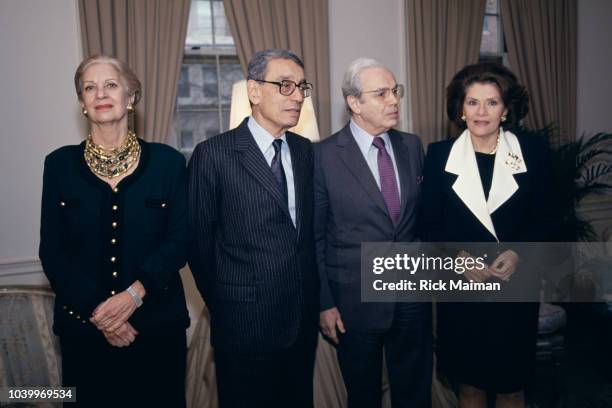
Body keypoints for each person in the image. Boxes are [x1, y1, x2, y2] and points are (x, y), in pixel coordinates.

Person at [39, 55, 189, 407]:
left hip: (156, 330)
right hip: (84, 333)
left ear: (131, 96)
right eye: (89, 88)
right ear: (82, 104)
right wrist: (103, 314)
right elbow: (53, 252)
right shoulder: (58, 165)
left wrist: (132, 297)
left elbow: (180, 240)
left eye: (110, 84)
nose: (100, 93)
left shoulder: (169, 163)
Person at [188, 49, 319, 408]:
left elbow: (308, 237)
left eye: (301, 87)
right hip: (244, 325)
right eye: (285, 85)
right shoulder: (214, 154)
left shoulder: (306, 151)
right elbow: (198, 245)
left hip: (301, 322)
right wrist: (229, 303)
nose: (296, 96)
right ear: (254, 91)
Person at [419, 62, 554, 407]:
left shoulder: (533, 154)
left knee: (511, 386)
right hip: (463, 293)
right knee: (470, 386)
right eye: (472, 102)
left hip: (514, 288)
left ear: (506, 109)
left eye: (492, 102)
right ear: (460, 109)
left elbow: (546, 218)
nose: (482, 112)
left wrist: (519, 252)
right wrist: (457, 257)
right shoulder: (439, 156)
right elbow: (428, 225)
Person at [316, 57, 432, 408]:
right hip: (355, 302)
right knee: (363, 395)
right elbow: (314, 237)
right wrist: (325, 303)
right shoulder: (322, 156)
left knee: (415, 393)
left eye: (395, 91)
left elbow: (421, 223)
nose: (394, 100)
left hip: (411, 298)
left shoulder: (412, 145)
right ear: (354, 102)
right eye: (381, 93)